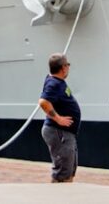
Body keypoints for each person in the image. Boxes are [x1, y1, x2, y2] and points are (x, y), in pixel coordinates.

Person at [39, 52, 81, 183]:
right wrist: (58, 119)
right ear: (63, 67)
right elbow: (43, 102)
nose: (68, 67)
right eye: (68, 64)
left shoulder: (55, 81)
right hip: (59, 132)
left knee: (69, 170)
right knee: (62, 172)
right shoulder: (54, 84)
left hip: (65, 133)